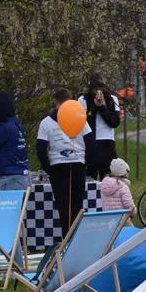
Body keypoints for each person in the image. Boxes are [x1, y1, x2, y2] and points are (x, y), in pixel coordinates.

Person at [36, 88, 95, 235]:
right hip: (78, 165)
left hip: (58, 167)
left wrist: (48, 169)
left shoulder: (46, 123)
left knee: (63, 207)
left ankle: (66, 241)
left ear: (55, 102)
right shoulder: (80, 119)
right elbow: (92, 145)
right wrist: (84, 163)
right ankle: (76, 241)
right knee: (77, 206)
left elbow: (40, 149)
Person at [0, 91, 31, 191]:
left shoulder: (4, 127)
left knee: (7, 206)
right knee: (20, 206)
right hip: (23, 175)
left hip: (10, 178)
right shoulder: (18, 125)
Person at [79, 81, 121, 180]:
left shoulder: (112, 100)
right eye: (95, 89)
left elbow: (114, 122)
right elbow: (84, 122)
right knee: (89, 179)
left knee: (108, 180)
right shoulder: (83, 100)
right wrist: (94, 106)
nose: (98, 92)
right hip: (91, 141)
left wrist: (102, 107)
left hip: (107, 143)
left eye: (101, 89)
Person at [101, 158, 137, 223]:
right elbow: (129, 204)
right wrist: (134, 212)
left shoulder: (104, 185)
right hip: (122, 220)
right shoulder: (123, 187)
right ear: (123, 173)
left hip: (108, 220)